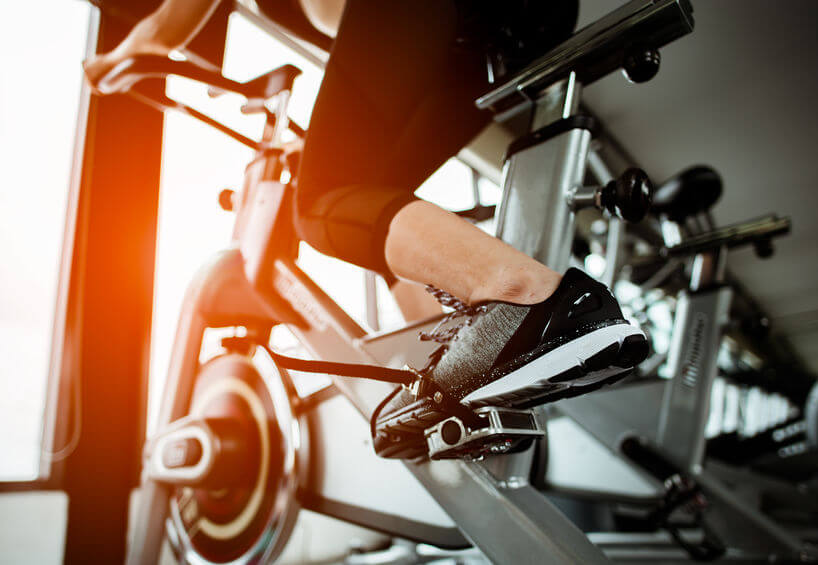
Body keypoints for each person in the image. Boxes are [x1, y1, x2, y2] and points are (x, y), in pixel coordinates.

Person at [85, 0, 649, 459]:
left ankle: (527, 298)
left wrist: (138, 44)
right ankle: (454, 371)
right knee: (366, 202)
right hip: (512, 26)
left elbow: (172, 18)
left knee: (323, 206)